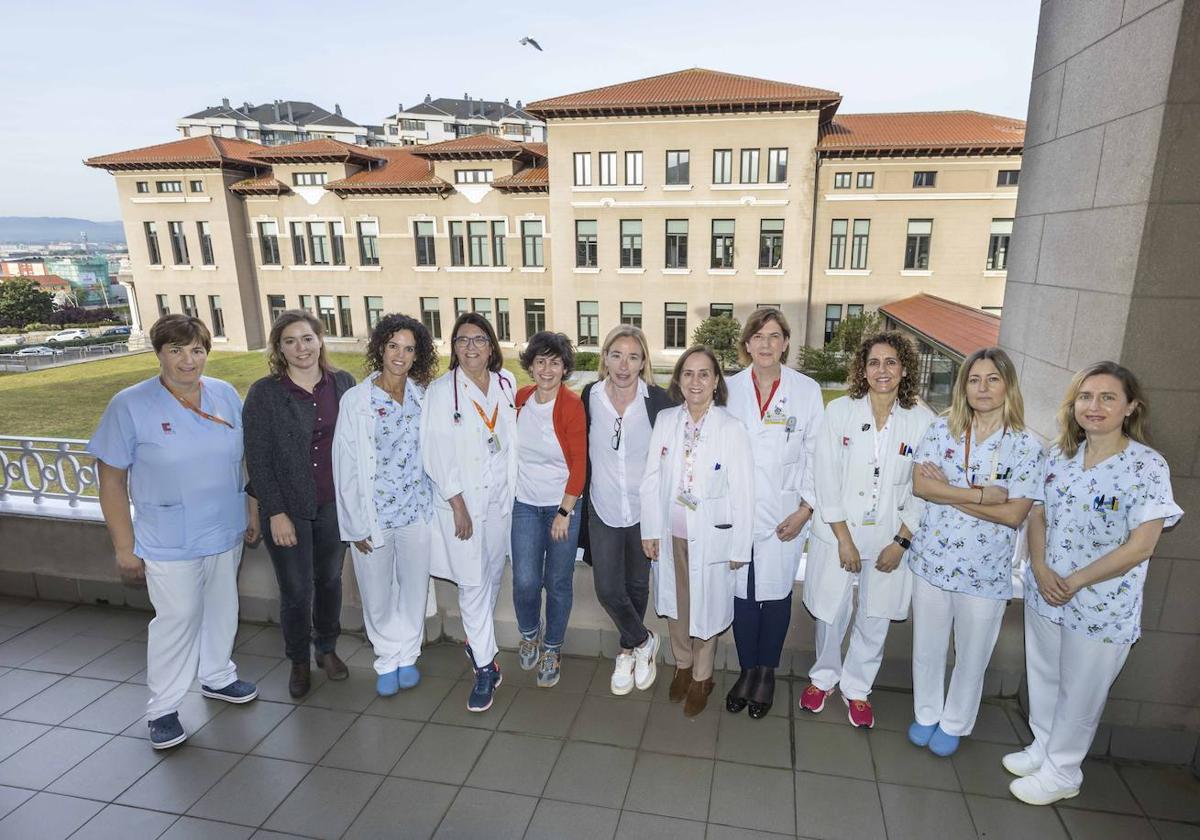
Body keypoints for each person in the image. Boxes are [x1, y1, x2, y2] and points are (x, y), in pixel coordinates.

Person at [1005, 361, 1182, 806]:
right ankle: (1044, 747)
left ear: (1130, 407)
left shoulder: (1146, 466)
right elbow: (1038, 512)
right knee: (1044, 676)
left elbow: (1141, 545)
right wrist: (1041, 568)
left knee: (1081, 691)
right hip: (1046, 591)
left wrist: (1076, 580)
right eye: (1086, 396)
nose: (1094, 406)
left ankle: (1063, 771)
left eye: (1107, 397)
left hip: (1101, 603)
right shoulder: (1060, 455)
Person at [90, 314, 259, 749]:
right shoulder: (129, 405)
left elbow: (245, 460)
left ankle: (218, 675)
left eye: (197, 350)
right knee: (177, 619)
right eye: (177, 350)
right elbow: (110, 480)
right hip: (169, 536)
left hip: (224, 527)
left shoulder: (223, 394)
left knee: (223, 606)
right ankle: (163, 708)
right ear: (159, 353)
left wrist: (252, 512)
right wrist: (124, 547)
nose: (189, 360)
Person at [907, 347, 1043, 756]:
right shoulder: (942, 428)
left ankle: (954, 721)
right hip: (932, 562)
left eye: (992, 379)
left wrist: (948, 494)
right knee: (927, 647)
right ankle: (927, 712)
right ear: (963, 386)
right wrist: (982, 495)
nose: (982, 388)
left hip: (984, 574)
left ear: (1008, 386)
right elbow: (920, 486)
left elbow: (1014, 514)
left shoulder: (1026, 445)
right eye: (974, 379)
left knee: (972, 655)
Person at [801, 331, 934, 728]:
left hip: (890, 539)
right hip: (837, 532)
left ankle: (857, 687)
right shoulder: (839, 412)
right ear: (863, 368)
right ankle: (823, 678)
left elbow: (924, 489)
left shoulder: (923, 421)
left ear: (904, 369)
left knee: (875, 616)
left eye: (891, 362)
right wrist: (843, 538)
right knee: (830, 612)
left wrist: (902, 540)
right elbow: (825, 478)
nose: (882, 370)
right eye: (874, 362)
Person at [243, 311, 356, 698]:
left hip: (333, 507)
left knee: (329, 581)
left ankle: (326, 648)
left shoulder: (343, 384)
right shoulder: (265, 393)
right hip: (287, 510)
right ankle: (298, 660)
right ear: (279, 348)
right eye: (290, 341)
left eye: (307, 338)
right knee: (295, 590)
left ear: (321, 340)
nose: (301, 348)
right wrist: (274, 512)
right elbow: (257, 458)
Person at [641, 345, 754, 716]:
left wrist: (740, 546)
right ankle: (683, 665)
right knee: (677, 606)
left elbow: (743, 491)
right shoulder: (666, 421)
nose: (695, 381)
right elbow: (651, 478)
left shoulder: (731, 428)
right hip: (670, 532)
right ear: (678, 380)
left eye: (704, 373)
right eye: (688, 373)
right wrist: (649, 530)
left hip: (712, 536)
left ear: (716, 380)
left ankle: (703, 677)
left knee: (707, 607)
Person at [724, 308, 823, 718]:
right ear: (747, 344)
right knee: (742, 596)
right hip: (737, 512)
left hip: (786, 513)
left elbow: (819, 455)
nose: (766, 345)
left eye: (774, 336)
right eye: (758, 337)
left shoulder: (806, 390)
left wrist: (806, 509)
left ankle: (767, 673)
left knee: (777, 596)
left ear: (785, 342)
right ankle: (747, 670)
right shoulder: (728, 389)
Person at [333, 314, 438, 696]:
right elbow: (343, 465)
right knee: (376, 593)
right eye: (393, 345)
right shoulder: (357, 401)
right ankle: (386, 658)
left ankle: (408, 654)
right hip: (373, 516)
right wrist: (355, 524)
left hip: (415, 513)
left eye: (409, 349)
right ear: (380, 348)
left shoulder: (422, 397)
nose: (400, 355)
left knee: (413, 589)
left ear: (417, 355)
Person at [420, 313, 517, 712]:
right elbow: (434, 452)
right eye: (462, 340)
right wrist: (456, 503)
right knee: (473, 584)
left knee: (491, 577)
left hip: (500, 503)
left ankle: (476, 644)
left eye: (479, 339)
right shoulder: (442, 393)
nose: (471, 347)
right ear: (453, 347)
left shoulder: (506, 383)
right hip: (464, 507)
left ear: (491, 346)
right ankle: (484, 667)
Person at [579, 325, 675, 695]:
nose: (623, 364)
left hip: (643, 510)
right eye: (616, 355)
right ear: (604, 357)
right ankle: (643, 639)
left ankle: (626, 652)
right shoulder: (590, 396)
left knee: (637, 584)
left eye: (633, 356)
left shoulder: (657, 400)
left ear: (643, 362)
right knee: (607, 586)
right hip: (602, 505)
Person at [511, 331, 587, 687]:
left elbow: (580, 464)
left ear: (564, 368)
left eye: (554, 362)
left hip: (562, 507)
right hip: (525, 503)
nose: (547, 368)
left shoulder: (571, 405)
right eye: (540, 361)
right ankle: (530, 633)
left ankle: (552, 648)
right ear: (530, 365)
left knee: (557, 582)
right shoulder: (521, 399)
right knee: (525, 580)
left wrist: (564, 511)